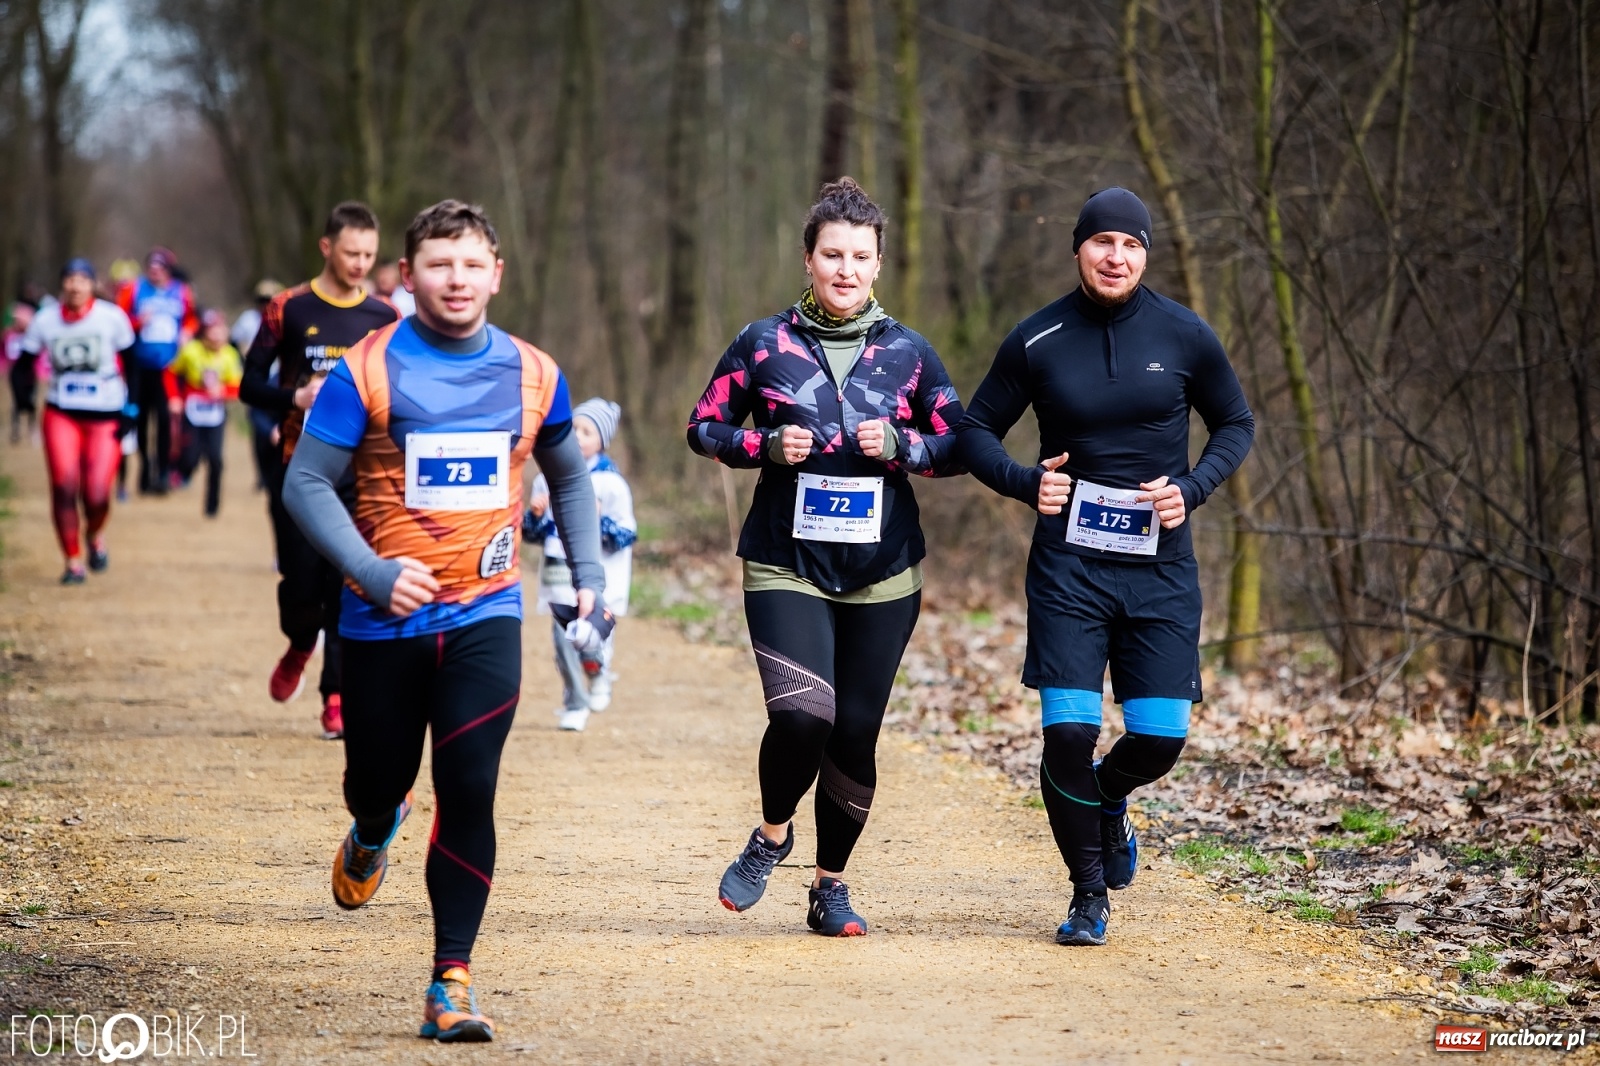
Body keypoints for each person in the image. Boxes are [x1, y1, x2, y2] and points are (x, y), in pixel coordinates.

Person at [282, 199, 604, 1043]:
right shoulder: (367, 369)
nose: (455, 280)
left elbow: (568, 477)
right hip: (381, 621)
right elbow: (307, 483)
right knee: (378, 783)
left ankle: (449, 981)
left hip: (484, 614)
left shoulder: (535, 374)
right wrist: (371, 572)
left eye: (471, 265)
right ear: (406, 277)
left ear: (497, 274)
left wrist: (589, 579)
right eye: (438, 265)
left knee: (469, 785)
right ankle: (371, 829)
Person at [955, 187, 1255, 946]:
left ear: (1145, 253)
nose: (1116, 256)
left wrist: (1191, 489)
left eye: (1131, 244)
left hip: (1160, 570)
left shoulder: (1186, 335)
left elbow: (1235, 423)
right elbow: (973, 430)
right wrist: (1029, 482)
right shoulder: (1039, 337)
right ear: (1079, 249)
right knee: (1067, 738)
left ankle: (1109, 802)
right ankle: (1089, 895)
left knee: (1158, 740)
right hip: (1070, 571)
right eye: (1102, 242)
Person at [686, 178, 966, 937]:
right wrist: (764, 445)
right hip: (786, 563)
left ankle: (830, 886)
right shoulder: (762, 344)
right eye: (832, 254)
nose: (846, 269)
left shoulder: (909, 353)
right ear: (808, 259)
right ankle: (772, 835)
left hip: (884, 573)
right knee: (805, 715)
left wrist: (906, 446)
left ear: (878, 264)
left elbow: (958, 443)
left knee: (856, 732)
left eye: (860, 256)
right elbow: (703, 427)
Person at [240, 202, 399, 738]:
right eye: (351, 252)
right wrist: (296, 396)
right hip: (301, 468)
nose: (359, 263)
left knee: (347, 583)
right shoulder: (288, 308)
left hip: (364, 472)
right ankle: (300, 641)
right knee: (304, 585)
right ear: (327, 247)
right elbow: (247, 385)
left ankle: (336, 697)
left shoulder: (384, 317)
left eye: (370, 255)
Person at [20, 259, 137, 583]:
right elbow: (24, 364)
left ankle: (95, 535)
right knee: (63, 487)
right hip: (62, 412)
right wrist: (23, 398)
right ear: (62, 285)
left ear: (92, 284)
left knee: (97, 493)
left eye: (81, 279)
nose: (74, 286)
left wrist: (133, 408)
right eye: (68, 279)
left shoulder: (111, 318)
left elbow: (133, 363)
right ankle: (73, 561)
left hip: (106, 414)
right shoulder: (45, 321)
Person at [524, 396, 635, 732]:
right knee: (563, 638)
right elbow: (534, 535)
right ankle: (574, 701)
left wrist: (598, 522)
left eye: (587, 431)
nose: (577, 436)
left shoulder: (612, 484)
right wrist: (536, 516)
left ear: (602, 440)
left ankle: (599, 673)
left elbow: (627, 534)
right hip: (559, 573)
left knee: (592, 640)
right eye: (573, 427)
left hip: (603, 577)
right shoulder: (545, 479)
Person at [116, 247, 198, 494]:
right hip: (139, 367)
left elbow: (192, 319)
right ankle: (145, 465)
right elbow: (118, 321)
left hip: (168, 368)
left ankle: (162, 471)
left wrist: (188, 332)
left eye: (160, 267)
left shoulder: (181, 292)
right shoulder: (133, 289)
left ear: (168, 269)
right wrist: (139, 321)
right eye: (151, 266)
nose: (155, 271)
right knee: (140, 420)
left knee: (164, 420)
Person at [166, 310, 243, 517]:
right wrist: (174, 398)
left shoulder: (229, 355)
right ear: (204, 332)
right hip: (192, 410)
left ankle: (212, 507)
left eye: (220, 331)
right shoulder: (191, 351)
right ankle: (181, 472)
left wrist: (223, 391)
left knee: (216, 460)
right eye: (212, 331)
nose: (216, 336)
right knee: (190, 456)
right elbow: (170, 373)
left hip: (215, 414)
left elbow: (238, 387)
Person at [232, 280, 284, 494]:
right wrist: (244, 365)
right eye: (262, 300)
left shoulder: (284, 318)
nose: (265, 304)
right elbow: (233, 341)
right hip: (259, 379)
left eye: (270, 300)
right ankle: (261, 475)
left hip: (282, 378)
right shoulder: (248, 320)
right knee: (258, 425)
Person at [4, 297, 39, 445]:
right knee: (16, 402)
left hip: (30, 371)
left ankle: (32, 430)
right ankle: (15, 431)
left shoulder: (33, 335)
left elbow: (41, 354)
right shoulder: (8, 334)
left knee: (31, 401)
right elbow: (3, 352)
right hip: (15, 370)